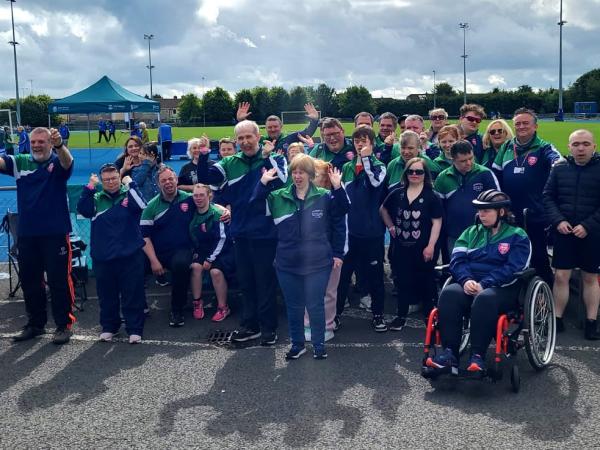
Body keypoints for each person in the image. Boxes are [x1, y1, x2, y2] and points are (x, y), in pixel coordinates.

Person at [254, 154, 348, 359]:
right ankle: (297, 344)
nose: (297, 176)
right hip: (287, 262)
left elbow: (343, 210)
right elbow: (255, 205)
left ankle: (319, 344)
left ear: (311, 175)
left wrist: (338, 187)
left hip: (318, 262)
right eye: (294, 172)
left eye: (302, 172)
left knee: (315, 305)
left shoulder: (324, 196)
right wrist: (262, 184)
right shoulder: (278, 196)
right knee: (294, 306)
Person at [427, 190, 532, 373]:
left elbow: (514, 268)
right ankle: (450, 354)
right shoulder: (469, 233)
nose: (481, 215)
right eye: (479, 211)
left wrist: (486, 283)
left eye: (487, 211)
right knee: (449, 293)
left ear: (501, 212)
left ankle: (477, 357)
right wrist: (466, 280)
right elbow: (457, 261)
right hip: (470, 283)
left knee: (485, 298)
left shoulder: (518, 235)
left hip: (502, 288)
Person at [206, 120, 288, 345]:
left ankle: (269, 328)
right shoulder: (230, 162)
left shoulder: (276, 158)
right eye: (240, 138)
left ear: (258, 136)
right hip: (240, 232)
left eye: (248, 137)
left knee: (265, 282)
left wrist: (269, 156)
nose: (244, 142)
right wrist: (204, 154)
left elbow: (284, 181)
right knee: (246, 282)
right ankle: (250, 325)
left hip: (265, 232)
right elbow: (209, 180)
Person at [2, 128, 76, 344]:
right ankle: (36, 324)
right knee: (30, 281)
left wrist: (61, 145)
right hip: (28, 234)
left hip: (54, 233)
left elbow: (68, 161)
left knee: (58, 280)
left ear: (50, 144)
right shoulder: (20, 162)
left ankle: (64, 325)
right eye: (33, 142)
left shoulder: (57, 161)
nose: (36, 145)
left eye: (41, 142)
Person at [77, 165, 147, 344]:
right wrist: (89, 187)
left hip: (130, 255)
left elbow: (141, 205)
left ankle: (134, 328)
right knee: (107, 296)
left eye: (114, 178)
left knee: (133, 293)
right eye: (106, 179)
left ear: (119, 177)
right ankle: (110, 327)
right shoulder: (96, 198)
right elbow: (83, 210)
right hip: (103, 257)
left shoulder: (128, 195)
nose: (111, 182)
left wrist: (130, 183)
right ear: (102, 180)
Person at [493, 107, 561, 285]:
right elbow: (495, 175)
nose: (521, 127)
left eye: (525, 123)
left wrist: (557, 163)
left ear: (535, 126)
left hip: (535, 214)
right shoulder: (507, 147)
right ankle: (518, 293)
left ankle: (546, 297)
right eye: (518, 124)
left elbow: (557, 161)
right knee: (511, 256)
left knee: (538, 257)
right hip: (509, 214)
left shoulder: (544, 147)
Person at [543, 129, 600, 340]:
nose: (581, 148)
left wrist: (588, 225)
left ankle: (591, 322)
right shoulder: (559, 168)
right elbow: (548, 197)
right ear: (569, 147)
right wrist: (558, 221)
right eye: (576, 144)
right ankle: (557, 319)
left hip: (592, 233)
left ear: (594, 146)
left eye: (585, 144)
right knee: (561, 276)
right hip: (564, 232)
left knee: (591, 277)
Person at [380, 157, 442, 330]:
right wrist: (391, 226)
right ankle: (401, 316)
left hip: (423, 248)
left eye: (419, 172)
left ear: (425, 174)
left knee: (426, 283)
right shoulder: (398, 193)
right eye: (410, 171)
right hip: (401, 247)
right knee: (403, 282)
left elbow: (437, 222)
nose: (414, 175)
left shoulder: (431, 196)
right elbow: (383, 209)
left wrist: (430, 246)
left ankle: (430, 317)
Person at [336, 126, 388, 332]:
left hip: (372, 232)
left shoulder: (379, 165)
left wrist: (367, 160)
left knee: (375, 277)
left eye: (364, 140)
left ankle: (378, 314)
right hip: (349, 234)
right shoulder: (346, 168)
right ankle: (336, 314)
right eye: (357, 140)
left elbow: (376, 182)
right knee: (343, 277)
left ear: (372, 143)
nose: (360, 143)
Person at [140, 166, 194, 327]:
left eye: (171, 179)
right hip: (157, 252)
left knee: (181, 264)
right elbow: (144, 236)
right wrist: (154, 261)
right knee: (134, 264)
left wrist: (224, 211)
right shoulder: (151, 206)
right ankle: (139, 306)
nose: (168, 182)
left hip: (181, 250)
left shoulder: (189, 199)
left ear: (176, 179)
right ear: (158, 183)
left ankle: (177, 310)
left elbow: (209, 204)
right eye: (163, 180)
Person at [304, 159, 346, 342]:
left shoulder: (333, 198)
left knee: (329, 292)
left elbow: (342, 219)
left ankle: (327, 325)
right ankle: (308, 324)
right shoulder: (301, 196)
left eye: (318, 174)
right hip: (307, 253)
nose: (314, 178)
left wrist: (338, 253)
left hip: (330, 253)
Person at [434, 140, 500, 252]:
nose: (469, 163)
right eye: (463, 161)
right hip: (454, 236)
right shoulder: (443, 178)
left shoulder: (485, 174)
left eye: (471, 158)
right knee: (456, 266)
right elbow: (437, 209)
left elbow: (498, 204)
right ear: (453, 159)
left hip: (483, 234)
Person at [189, 184, 234, 322]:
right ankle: (197, 303)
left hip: (221, 251)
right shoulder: (191, 212)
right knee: (195, 267)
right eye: (195, 195)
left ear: (209, 196)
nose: (198, 198)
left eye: (201, 195)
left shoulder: (217, 214)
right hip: (203, 249)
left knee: (215, 272)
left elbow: (222, 239)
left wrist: (210, 259)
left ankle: (223, 307)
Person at [236, 102, 320, 154]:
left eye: (275, 126)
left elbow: (307, 133)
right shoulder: (260, 140)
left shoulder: (290, 137)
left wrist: (315, 120)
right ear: (265, 128)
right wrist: (241, 121)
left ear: (281, 126)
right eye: (269, 127)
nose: (272, 129)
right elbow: (246, 133)